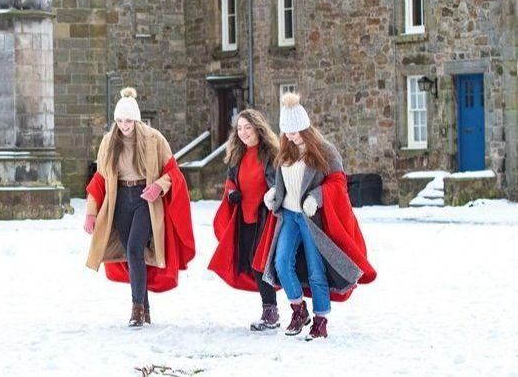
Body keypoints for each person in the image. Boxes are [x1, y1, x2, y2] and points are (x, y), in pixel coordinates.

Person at [253, 93, 377, 340]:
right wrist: (273, 195)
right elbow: (284, 183)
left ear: (306, 127)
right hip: (288, 216)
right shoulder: (285, 151)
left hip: (311, 220)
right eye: (287, 131)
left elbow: (338, 181)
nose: (291, 136)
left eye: (296, 131)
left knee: (315, 269)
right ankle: (299, 309)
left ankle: (320, 320)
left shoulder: (325, 151)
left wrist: (316, 198)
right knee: (280, 263)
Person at [83, 87, 195, 327]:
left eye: (128, 120)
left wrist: (158, 186)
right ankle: (144, 308)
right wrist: (91, 212)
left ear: (136, 118)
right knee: (132, 255)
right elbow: (100, 180)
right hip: (120, 199)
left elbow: (173, 172)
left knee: (135, 248)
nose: (124, 126)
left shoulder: (154, 139)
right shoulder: (108, 142)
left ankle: (136, 309)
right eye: (120, 121)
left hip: (146, 199)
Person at [207, 109, 281, 331]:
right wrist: (231, 193)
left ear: (258, 128)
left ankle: (272, 312)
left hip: (265, 216)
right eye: (239, 128)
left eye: (247, 127)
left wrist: (272, 196)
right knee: (250, 262)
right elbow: (231, 181)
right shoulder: (236, 155)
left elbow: (280, 184)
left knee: (259, 262)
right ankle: (272, 310)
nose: (243, 133)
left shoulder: (271, 154)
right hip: (244, 216)